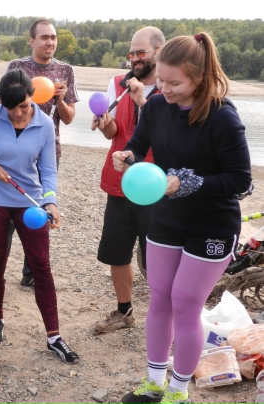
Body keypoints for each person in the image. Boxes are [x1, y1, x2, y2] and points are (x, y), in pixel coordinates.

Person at [114, 33, 252, 404]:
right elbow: (138, 144)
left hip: (212, 225)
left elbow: (240, 180)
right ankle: (154, 384)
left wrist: (188, 182)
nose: (163, 88)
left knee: (186, 305)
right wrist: (127, 157)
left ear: (199, 77)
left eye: (173, 82)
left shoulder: (222, 116)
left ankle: (178, 393)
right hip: (167, 218)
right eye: (160, 79)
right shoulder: (157, 106)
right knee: (160, 299)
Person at [0, 68, 79, 365]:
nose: (20, 113)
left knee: (41, 266)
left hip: (30, 202)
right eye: (12, 109)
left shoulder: (44, 124)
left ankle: (54, 337)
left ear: (32, 97)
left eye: (24, 105)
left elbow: (48, 170)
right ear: (2, 103)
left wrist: (50, 202)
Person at [0, 19, 79, 307]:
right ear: (32, 40)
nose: (50, 42)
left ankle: (32, 274)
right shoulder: (17, 67)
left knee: (40, 212)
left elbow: (69, 118)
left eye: (53, 37)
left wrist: (61, 99)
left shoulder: (65, 70)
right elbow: (3, 105)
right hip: (11, 151)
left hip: (46, 149)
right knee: (4, 222)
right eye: (44, 37)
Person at [91, 27, 165, 334]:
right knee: (117, 251)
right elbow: (113, 133)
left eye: (141, 53)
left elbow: (172, 131)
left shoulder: (170, 86)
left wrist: (142, 100)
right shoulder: (116, 84)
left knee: (157, 257)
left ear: (159, 52)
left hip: (156, 185)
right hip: (120, 181)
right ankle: (124, 311)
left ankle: (166, 316)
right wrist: (104, 123)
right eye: (131, 53)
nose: (134, 59)